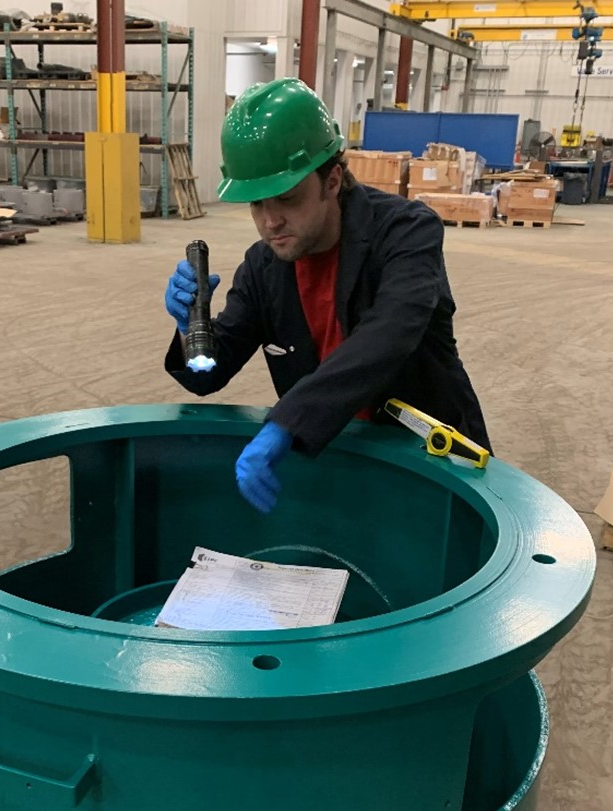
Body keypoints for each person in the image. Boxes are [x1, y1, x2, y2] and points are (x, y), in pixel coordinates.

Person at [163, 78, 490, 514]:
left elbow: (388, 334)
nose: (269, 222)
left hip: (429, 468)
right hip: (333, 463)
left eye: (286, 199)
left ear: (332, 180)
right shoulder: (263, 268)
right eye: (256, 204)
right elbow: (207, 374)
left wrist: (286, 421)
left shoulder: (407, 233)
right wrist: (191, 330)